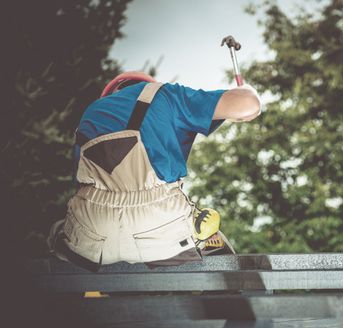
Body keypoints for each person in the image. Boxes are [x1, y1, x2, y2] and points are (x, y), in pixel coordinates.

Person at [47, 71, 261, 271]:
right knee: (221, 253)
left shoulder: (90, 113)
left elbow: (79, 178)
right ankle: (230, 306)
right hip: (163, 228)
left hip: (91, 234)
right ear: (148, 86)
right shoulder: (165, 95)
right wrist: (247, 90)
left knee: (59, 237)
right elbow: (248, 106)